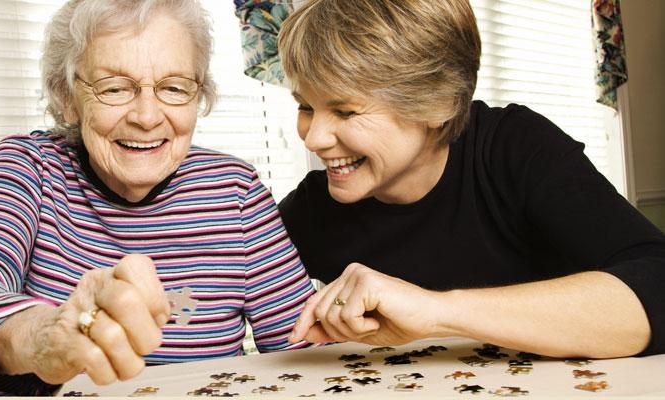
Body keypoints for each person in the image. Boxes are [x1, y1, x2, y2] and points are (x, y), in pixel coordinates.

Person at [0, 0, 315, 395]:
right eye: (114, 88)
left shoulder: (236, 192)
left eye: (174, 87)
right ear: (67, 98)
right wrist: (45, 336)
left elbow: (306, 350)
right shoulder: (30, 168)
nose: (146, 116)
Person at [275, 0, 665, 358]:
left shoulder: (515, 148)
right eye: (306, 106)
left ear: (437, 103)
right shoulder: (313, 207)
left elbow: (657, 283)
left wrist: (437, 311)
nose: (314, 138)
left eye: (345, 111)